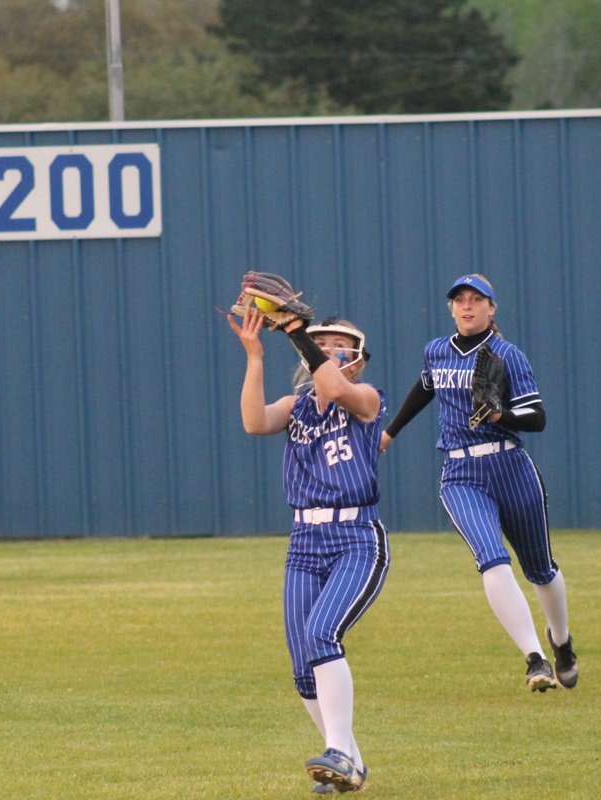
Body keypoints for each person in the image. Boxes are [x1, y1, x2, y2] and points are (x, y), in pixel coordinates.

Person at [379, 273, 578, 692]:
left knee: (540, 569)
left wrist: (501, 416)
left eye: (476, 299)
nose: (467, 306)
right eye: (459, 300)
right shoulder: (437, 351)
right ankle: (535, 659)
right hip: (461, 474)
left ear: (492, 308)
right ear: (451, 308)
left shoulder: (508, 355)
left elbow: (537, 419)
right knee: (492, 559)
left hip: (511, 468)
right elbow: (424, 388)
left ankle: (561, 643)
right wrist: (389, 432)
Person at [228, 307, 389, 794]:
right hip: (304, 541)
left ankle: (339, 750)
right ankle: (349, 761)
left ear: (357, 359)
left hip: (356, 538)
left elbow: (337, 389)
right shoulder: (297, 405)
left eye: (343, 344)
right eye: (326, 343)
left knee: (321, 632)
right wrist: (255, 356)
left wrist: (299, 331)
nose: (333, 350)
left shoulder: (366, 397)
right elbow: (254, 423)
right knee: (302, 666)